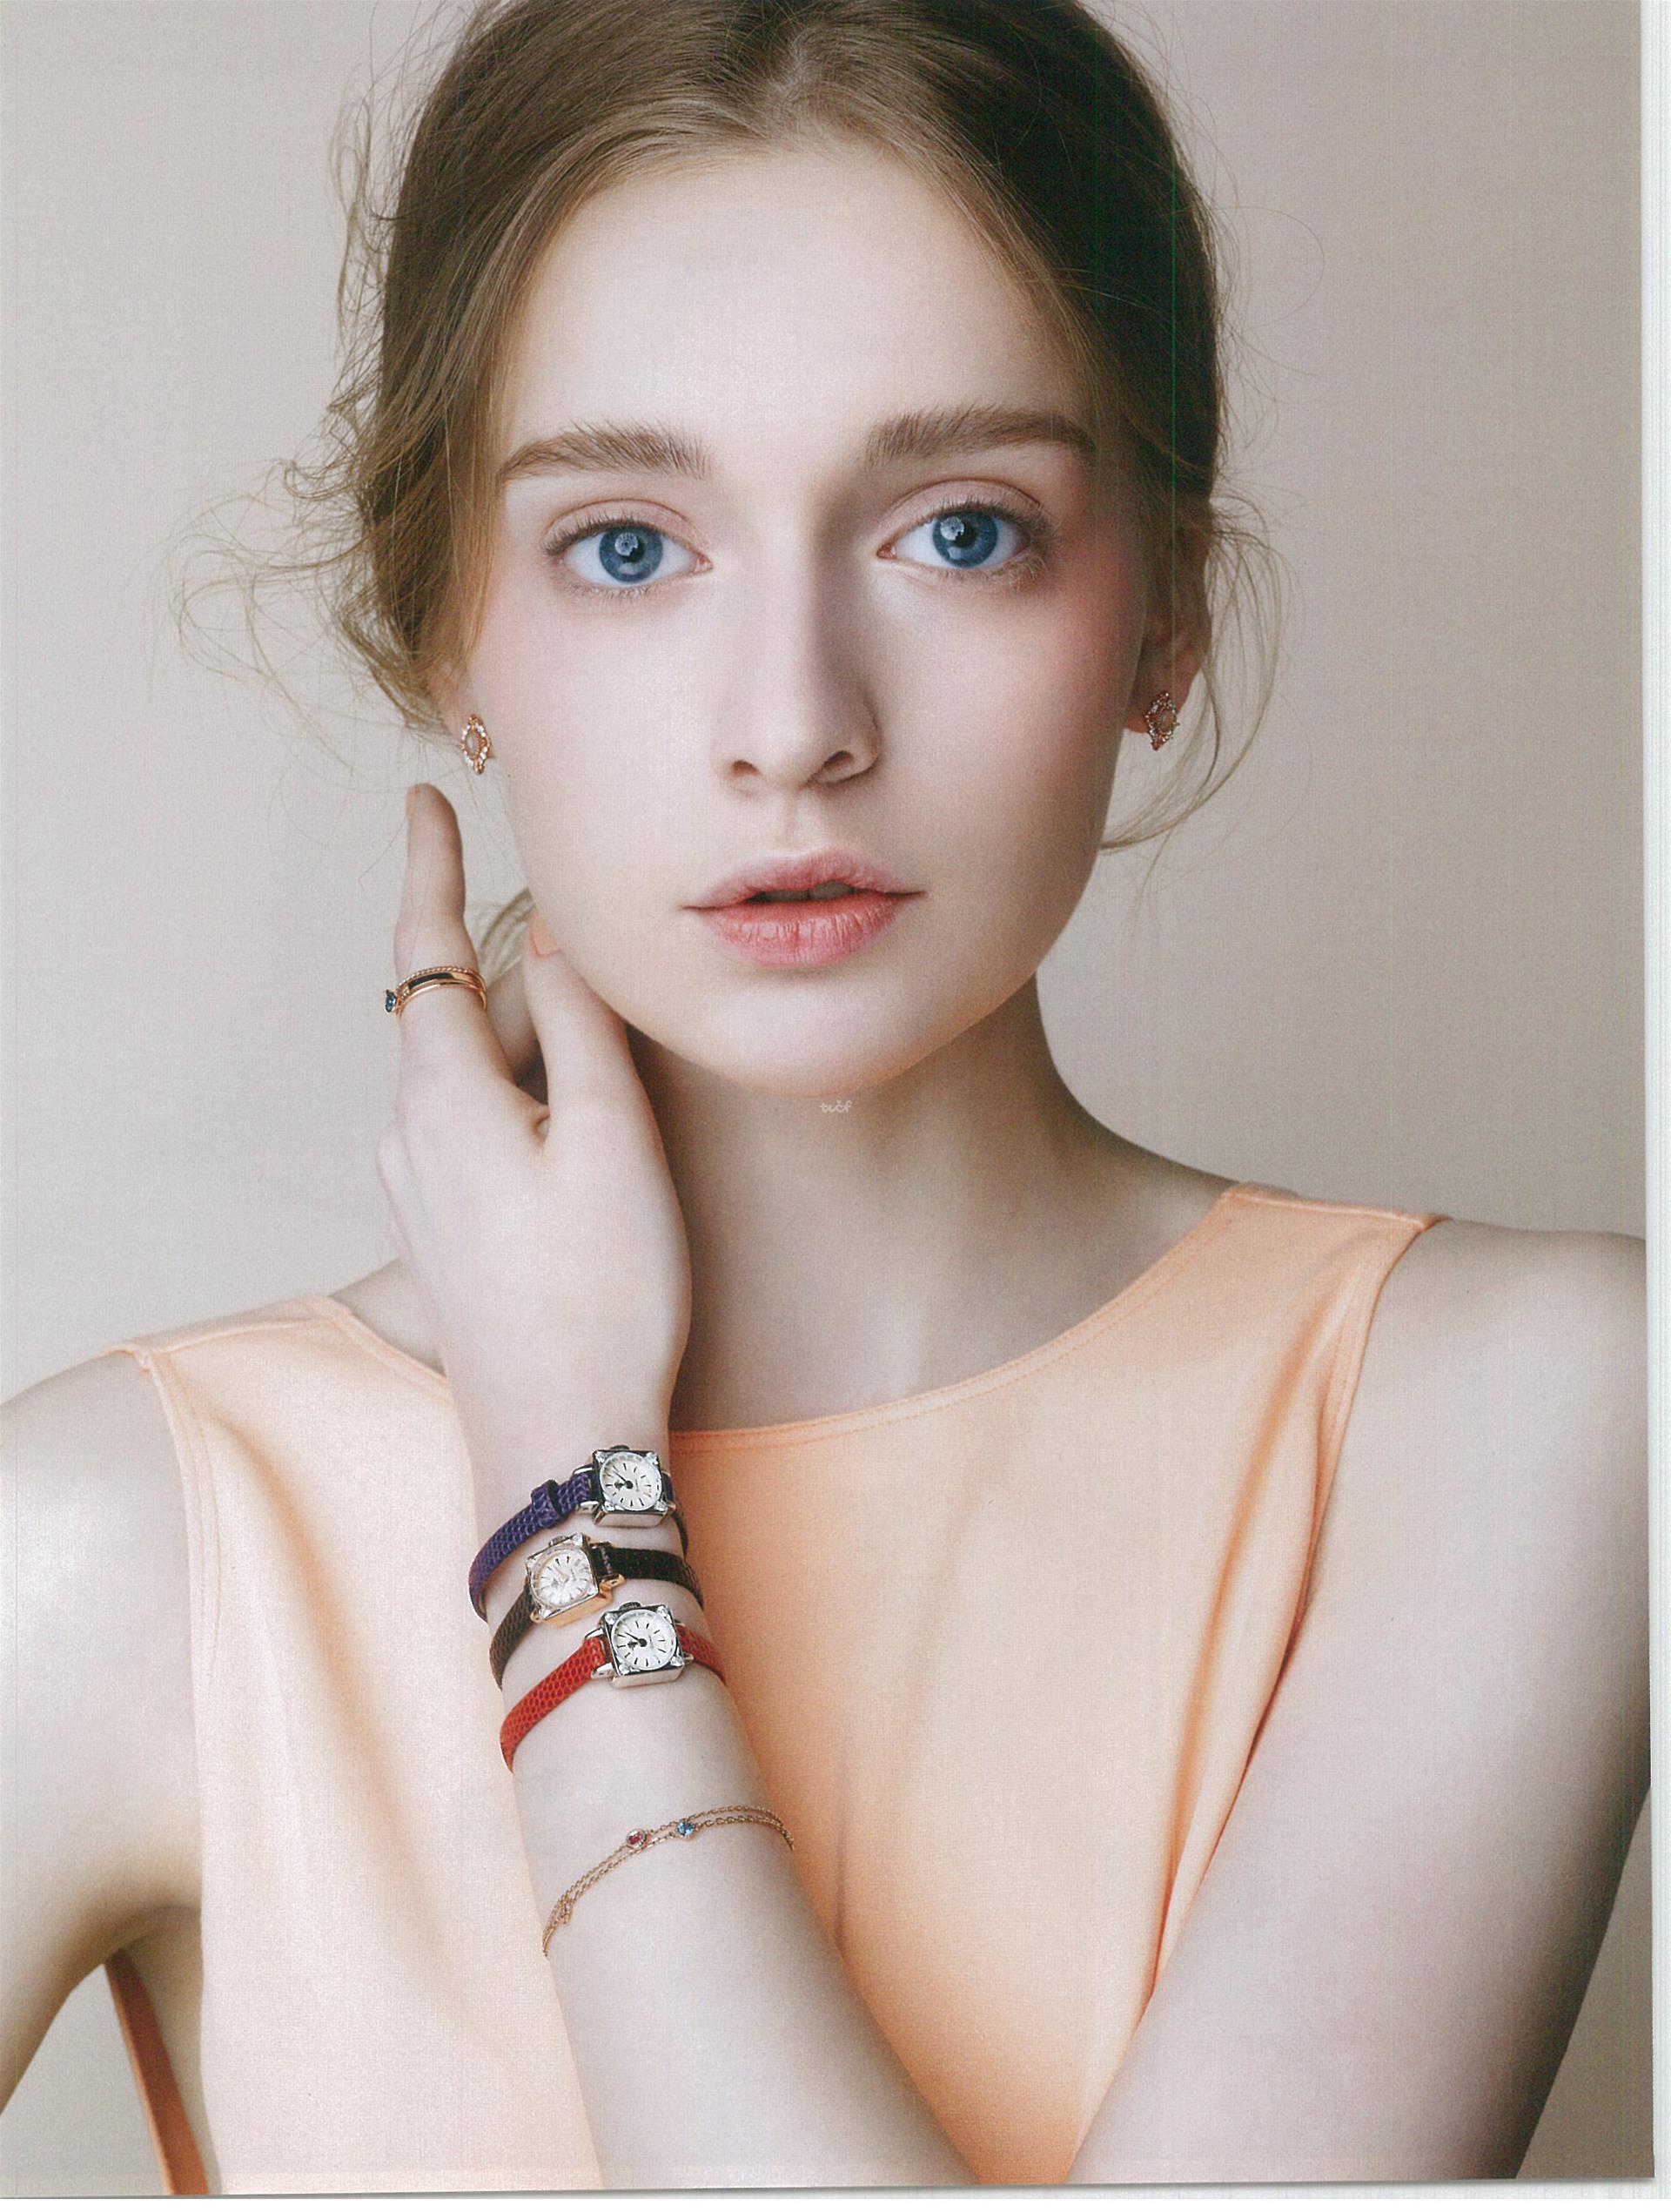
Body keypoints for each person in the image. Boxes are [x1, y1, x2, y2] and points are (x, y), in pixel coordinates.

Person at [1, 0, 1648, 2190]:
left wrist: (571, 1508)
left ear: (1164, 606)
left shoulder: (1522, 1414)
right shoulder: (116, 1545)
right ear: (442, 622)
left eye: (960, 531)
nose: (792, 723)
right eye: (626, 544)